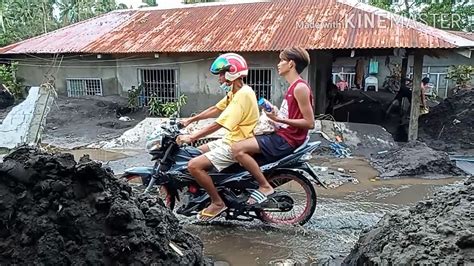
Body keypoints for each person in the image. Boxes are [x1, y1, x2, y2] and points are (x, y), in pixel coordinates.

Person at [176, 53, 259, 221]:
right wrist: (190, 120)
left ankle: (217, 202)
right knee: (194, 152)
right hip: (231, 139)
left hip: (237, 144)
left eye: (222, 74)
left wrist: (192, 136)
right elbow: (216, 109)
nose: (220, 79)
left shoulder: (242, 95)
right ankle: (207, 191)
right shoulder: (235, 93)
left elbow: (219, 124)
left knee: (193, 166)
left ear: (232, 73)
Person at [231, 47, 315, 205]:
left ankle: (264, 186)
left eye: (282, 60)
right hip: (283, 134)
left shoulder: (300, 88)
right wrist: (274, 114)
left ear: (291, 64)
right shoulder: (292, 86)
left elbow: (310, 123)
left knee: (237, 148)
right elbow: (289, 115)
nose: (278, 64)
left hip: (287, 140)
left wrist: (280, 120)